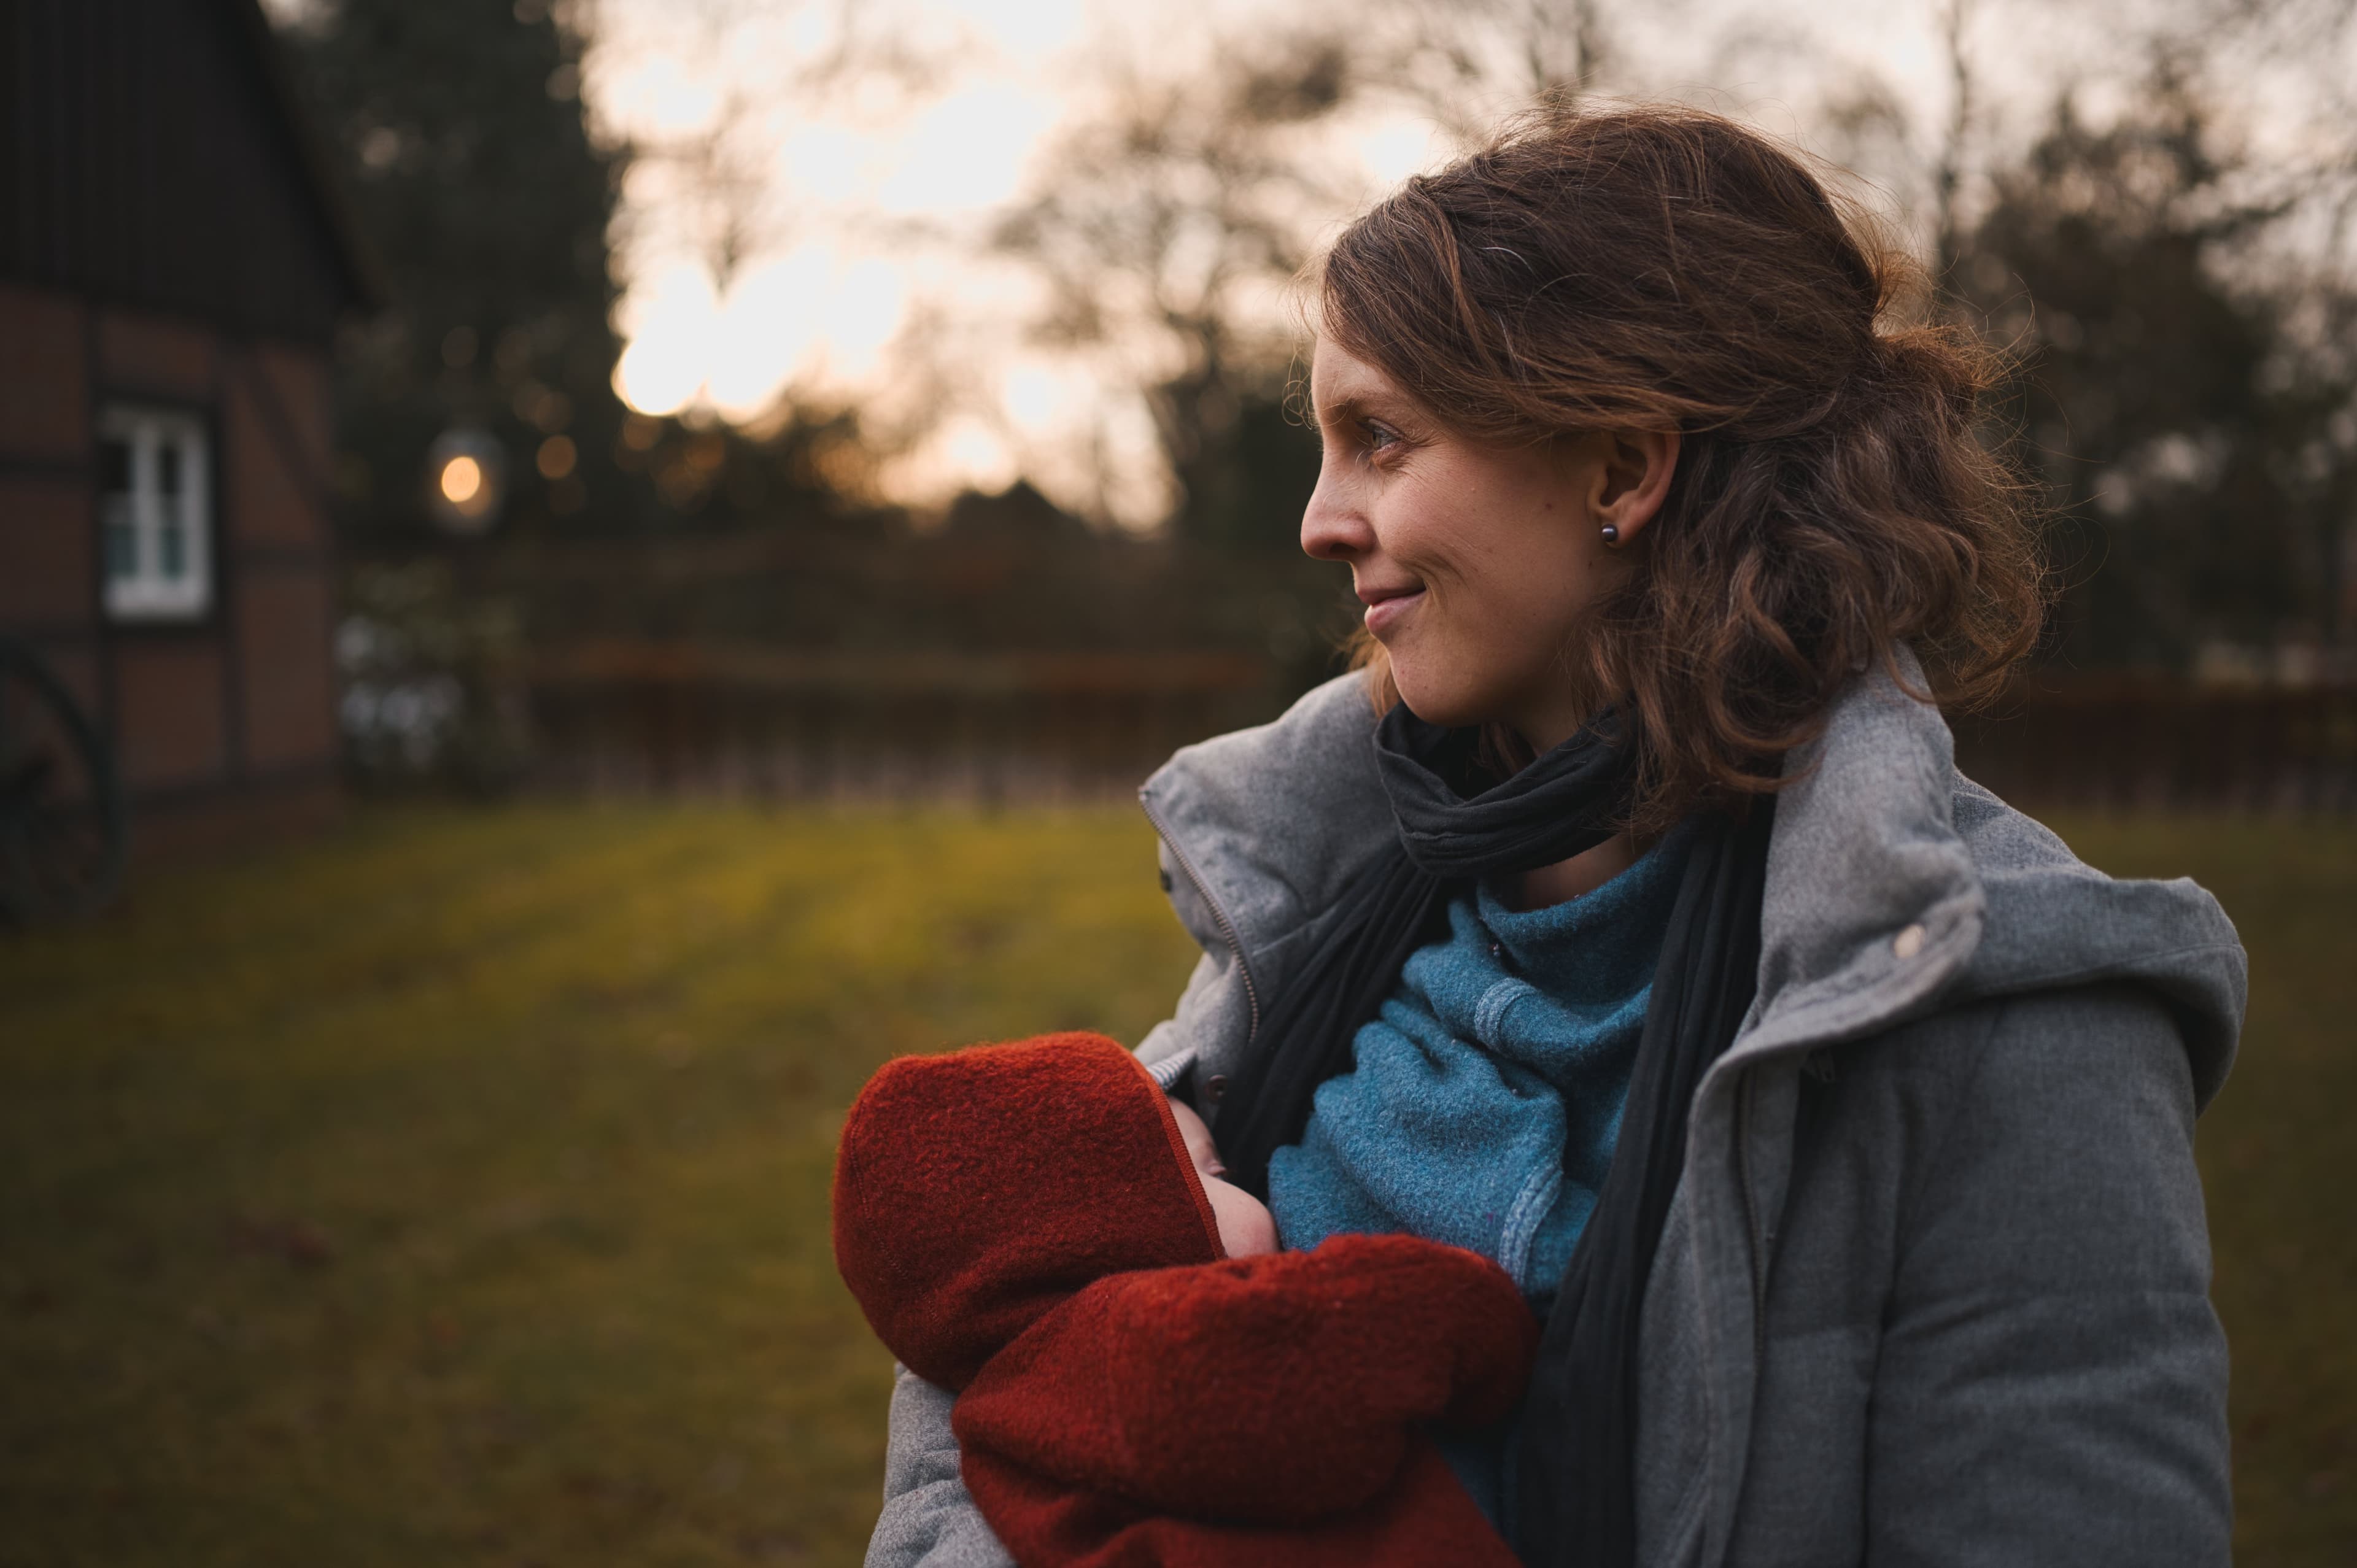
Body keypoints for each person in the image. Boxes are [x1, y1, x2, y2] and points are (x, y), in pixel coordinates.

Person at [867, 103, 2245, 1568]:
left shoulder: (2011, 1015)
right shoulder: (1317, 877)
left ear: (1616, 470)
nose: (1319, 520)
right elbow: (1002, 1372)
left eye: (1379, 440)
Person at [832, 1030, 1536, 1567]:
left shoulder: (1002, 1419)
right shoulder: (1147, 1341)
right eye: (1210, 1167)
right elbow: (1321, 1354)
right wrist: (1468, 1308)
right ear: (1117, 1228)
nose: (1248, 1180)